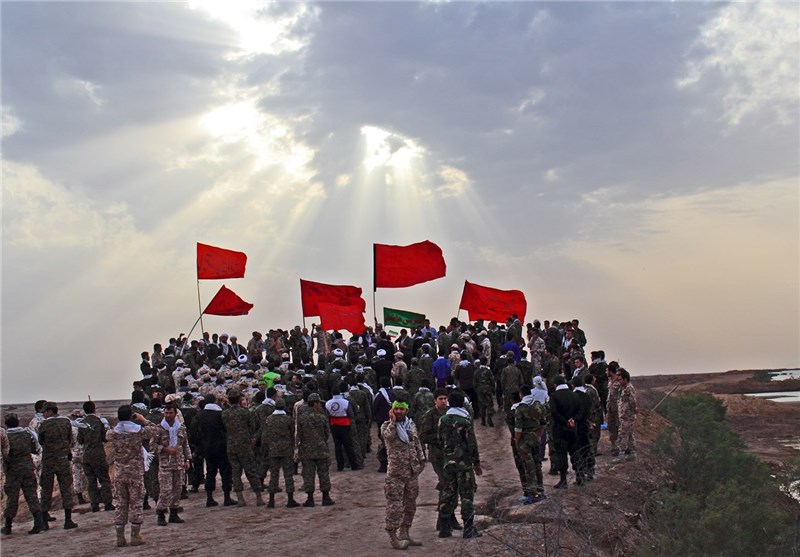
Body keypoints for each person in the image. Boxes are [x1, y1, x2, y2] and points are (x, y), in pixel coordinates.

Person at [107, 405, 159, 547]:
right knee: (136, 502)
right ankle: (135, 535)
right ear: (131, 416)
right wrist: (143, 419)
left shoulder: (113, 433)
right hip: (135, 471)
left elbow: (108, 434)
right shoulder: (137, 432)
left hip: (119, 472)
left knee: (121, 503)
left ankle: (120, 537)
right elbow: (155, 430)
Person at [436, 391, 482, 540]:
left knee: (448, 493)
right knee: (467, 495)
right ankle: (468, 528)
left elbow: (439, 440)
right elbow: (472, 444)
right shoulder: (466, 421)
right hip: (464, 464)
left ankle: (444, 527)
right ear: (463, 403)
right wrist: (476, 463)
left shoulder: (443, 419)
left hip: (448, 463)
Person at [382, 400, 426, 550]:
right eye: (396, 409)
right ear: (392, 411)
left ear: (406, 411)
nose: (399, 411)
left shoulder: (411, 425)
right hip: (396, 473)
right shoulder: (386, 426)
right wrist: (393, 422)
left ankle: (405, 532)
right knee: (394, 505)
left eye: (402, 409)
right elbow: (387, 437)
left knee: (410, 505)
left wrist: (422, 459)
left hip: (412, 472)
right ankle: (393, 536)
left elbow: (416, 442)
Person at [1, 413, 44, 535]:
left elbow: (4, 454)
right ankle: (38, 522)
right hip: (28, 467)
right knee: (32, 495)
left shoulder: (6, 436)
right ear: (18, 422)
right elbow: (34, 449)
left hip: (13, 470)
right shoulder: (27, 434)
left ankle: (8, 526)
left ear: (6, 424)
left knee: (12, 498)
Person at [38, 401, 78, 529]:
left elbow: (41, 441)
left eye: (44, 412)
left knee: (46, 489)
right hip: (63, 458)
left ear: (49, 411)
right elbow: (70, 439)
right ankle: (68, 520)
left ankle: (44, 521)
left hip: (48, 460)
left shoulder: (43, 424)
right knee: (66, 489)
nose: (43, 414)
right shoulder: (66, 422)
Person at [221, 391, 264, 506]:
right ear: (240, 400)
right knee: (251, 470)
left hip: (231, 445)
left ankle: (240, 499)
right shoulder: (245, 412)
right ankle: (258, 497)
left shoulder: (225, 414)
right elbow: (253, 426)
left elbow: (225, 428)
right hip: (245, 445)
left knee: (236, 472)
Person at [193, 395, 234, 507]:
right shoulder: (220, 414)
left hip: (207, 449)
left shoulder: (199, 415)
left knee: (210, 472)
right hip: (221, 447)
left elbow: (194, 433)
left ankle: (209, 498)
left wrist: (199, 447)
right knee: (225, 472)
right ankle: (227, 497)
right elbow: (227, 429)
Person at [154, 404, 191, 526]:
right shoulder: (159, 429)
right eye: (166, 413)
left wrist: (187, 460)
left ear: (175, 414)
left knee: (177, 489)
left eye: (170, 413)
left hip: (179, 463)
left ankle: (174, 514)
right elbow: (152, 445)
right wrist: (165, 449)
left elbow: (185, 445)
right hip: (165, 464)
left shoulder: (181, 428)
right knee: (165, 490)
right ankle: (161, 513)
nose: (168, 415)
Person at [297, 393, 334, 507]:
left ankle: (310, 499)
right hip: (321, 448)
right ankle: (326, 497)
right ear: (315, 403)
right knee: (323, 473)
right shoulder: (322, 417)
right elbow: (327, 433)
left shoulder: (302, 417)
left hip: (307, 450)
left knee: (308, 474)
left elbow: (299, 434)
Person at [78, 400, 114, 513]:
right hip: (98, 453)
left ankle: (94, 504)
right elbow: (104, 437)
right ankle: (108, 503)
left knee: (91, 481)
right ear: (94, 409)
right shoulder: (99, 422)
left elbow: (80, 440)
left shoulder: (82, 423)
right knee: (104, 479)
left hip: (87, 454)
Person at [262, 398, 299, 508]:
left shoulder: (269, 419)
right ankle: (290, 499)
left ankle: (271, 501)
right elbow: (292, 432)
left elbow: (266, 434)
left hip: (273, 449)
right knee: (288, 474)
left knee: (274, 475)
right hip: (286, 448)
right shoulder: (288, 419)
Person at [514, 385, 546, 502]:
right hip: (536, 438)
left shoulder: (521, 408)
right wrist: (538, 435)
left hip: (524, 440)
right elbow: (543, 423)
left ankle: (532, 493)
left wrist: (516, 441)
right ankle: (540, 489)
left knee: (528, 466)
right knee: (537, 464)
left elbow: (518, 429)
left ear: (521, 394)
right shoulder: (538, 405)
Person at [549, 376, 578, 489]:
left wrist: (565, 422)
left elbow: (554, 413)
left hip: (560, 429)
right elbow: (579, 409)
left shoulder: (554, 396)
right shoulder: (573, 395)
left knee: (561, 454)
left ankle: (563, 480)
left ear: (556, 385)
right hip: (572, 428)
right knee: (574, 452)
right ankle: (579, 477)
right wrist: (572, 420)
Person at [325, 383, 360, 471]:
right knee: (348, 445)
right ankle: (354, 465)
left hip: (334, 425)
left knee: (337, 446)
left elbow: (327, 415)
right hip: (345, 424)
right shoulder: (346, 402)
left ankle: (340, 466)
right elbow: (351, 414)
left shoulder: (328, 403)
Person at [616, 369, 637, 460]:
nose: (619, 381)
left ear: (625, 379)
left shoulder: (629, 388)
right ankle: (633, 454)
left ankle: (621, 455)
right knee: (630, 435)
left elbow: (633, 401)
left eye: (620, 379)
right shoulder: (625, 388)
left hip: (627, 416)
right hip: (625, 415)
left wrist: (633, 410)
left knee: (623, 434)